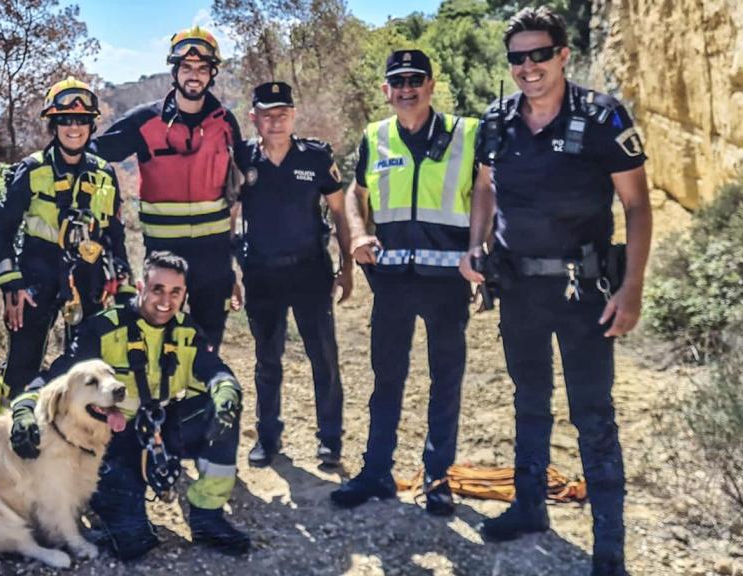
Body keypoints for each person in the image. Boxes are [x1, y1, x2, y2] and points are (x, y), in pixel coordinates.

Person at [459, 8, 651, 576]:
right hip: (518, 288)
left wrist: (633, 288)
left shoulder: (602, 116)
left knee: (593, 416)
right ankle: (528, 507)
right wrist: (476, 245)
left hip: (584, 291)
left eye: (539, 54)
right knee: (528, 402)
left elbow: (637, 206)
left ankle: (609, 549)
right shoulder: (497, 121)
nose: (528, 67)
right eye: (517, 57)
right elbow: (484, 187)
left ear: (563, 55)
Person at [8, 251, 251, 560]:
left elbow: (214, 370)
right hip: (112, 442)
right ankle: (106, 508)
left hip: (160, 431)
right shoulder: (103, 329)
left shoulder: (186, 331)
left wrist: (227, 393)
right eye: (157, 289)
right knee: (134, 544)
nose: (165, 301)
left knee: (222, 406)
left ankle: (207, 516)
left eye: (175, 292)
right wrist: (23, 410)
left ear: (184, 295)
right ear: (140, 287)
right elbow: (57, 379)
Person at [330, 49, 479, 517]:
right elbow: (356, 196)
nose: (407, 88)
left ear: (431, 84)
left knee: (445, 380)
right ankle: (376, 471)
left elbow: (490, 195)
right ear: (385, 90)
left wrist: (480, 252)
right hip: (391, 280)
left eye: (416, 80)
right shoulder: (376, 136)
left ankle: (437, 478)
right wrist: (356, 234)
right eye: (398, 81)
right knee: (386, 379)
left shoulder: (466, 134)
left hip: (447, 281)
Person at [92, 26, 243, 351]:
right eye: (187, 68)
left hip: (213, 255)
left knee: (207, 343)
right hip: (163, 252)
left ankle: (202, 400)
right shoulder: (144, 121)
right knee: (156, 341)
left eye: (202, 69)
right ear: (175, 71)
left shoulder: (226, 122)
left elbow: (242, 184)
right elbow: (92, 154)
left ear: (212, 74)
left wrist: (236, 262)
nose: (194, 76)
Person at [0, 76, 127, 415]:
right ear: (54, 125)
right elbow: (3, 231)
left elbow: (115, 234)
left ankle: (72, 434)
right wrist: (11, 283)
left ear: (92, 126)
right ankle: (5, 429)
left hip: (88, 275)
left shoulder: (105, 174)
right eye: (65, 120)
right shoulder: (31, 170)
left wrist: (123, 283)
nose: (73, 127)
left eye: (81, 120)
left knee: (87, 363)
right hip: (38, 272)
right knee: (24, 359)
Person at [233, 81, 353, 468]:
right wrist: (230, 270)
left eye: (282, 113)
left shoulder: (315, 157)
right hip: (262, 274)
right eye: (266, 114)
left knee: (324, 356)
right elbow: (230, 217)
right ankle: (268, 438)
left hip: (309, 272)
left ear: (293, 115)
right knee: (267, 359)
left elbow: (339, 211)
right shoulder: (243, 159)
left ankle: (330, 440)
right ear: (254, 118)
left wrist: (348, 266)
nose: (275, 121)